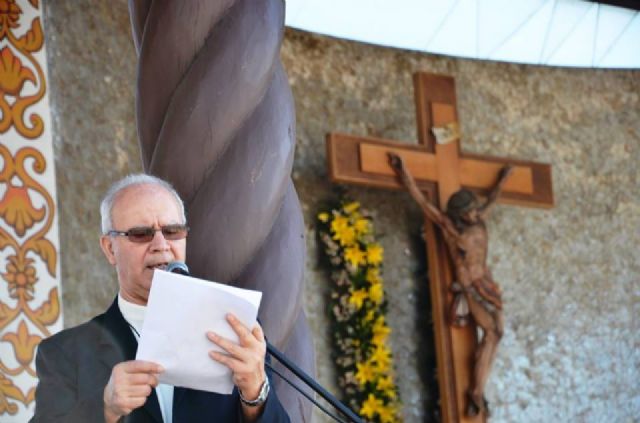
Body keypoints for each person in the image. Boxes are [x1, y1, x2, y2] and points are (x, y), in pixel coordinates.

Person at [31, 174, 290, 423]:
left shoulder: (235, 326)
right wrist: (105, 408)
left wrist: (256, 394)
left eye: (172, 231)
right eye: (141, 234)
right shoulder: (63, 353)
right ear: (110, 249)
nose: (161, 244)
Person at [388, 153, 512, 417]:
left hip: (487, 285)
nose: (474, 213)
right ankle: (476, 392)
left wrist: (503, 179)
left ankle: (479, 389)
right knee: (490, 334)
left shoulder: (480, 220)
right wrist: (405, 172)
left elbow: (493, 199)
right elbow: (423, 203)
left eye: (474, 209)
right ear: (459, 214)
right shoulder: (452, 230)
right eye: (468, 211)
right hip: (470, 288)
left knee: (498, 333)